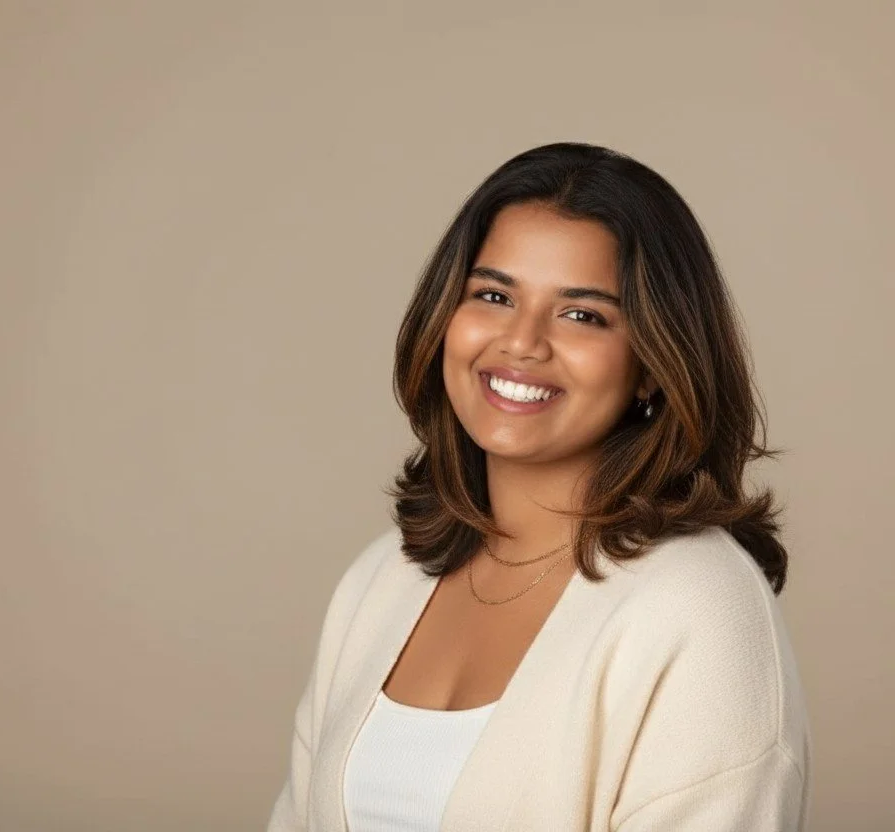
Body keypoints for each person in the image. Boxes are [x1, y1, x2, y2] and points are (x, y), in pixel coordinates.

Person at [266, 142, 812, 831]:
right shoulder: (381, 580)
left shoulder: (698, 608)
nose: (522, 342)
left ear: (652, 362)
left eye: (581, 314)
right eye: (492, 296)